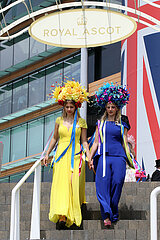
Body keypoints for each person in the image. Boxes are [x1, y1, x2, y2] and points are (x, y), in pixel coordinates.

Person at [43, 80, 90, 228]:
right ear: (63, 107)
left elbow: (84, 142)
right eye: (67, 107)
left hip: (76, 155)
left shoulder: (81, 122)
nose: (69, 109)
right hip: (61, 155)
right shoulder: (59, 120)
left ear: (76, 107)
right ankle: (62, 215)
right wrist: (47, 154)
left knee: (72, 182)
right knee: (61, 184)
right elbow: (55, 138)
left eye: (71, 107)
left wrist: (88, 156)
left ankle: (73, 212)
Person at [89, 82, 130, 226]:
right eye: (108, 107)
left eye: (113, 107)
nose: (111, 109)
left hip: (119, 156)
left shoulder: (122, 123)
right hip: (103, 157)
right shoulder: (100, 123)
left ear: (117, 107)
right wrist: (90, 158)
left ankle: (113, 209)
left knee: (118, 182)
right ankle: (106, 215)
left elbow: (125, 141)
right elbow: (95, 143)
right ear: (105, 108)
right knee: (103, 185)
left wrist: (131, 157)